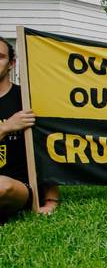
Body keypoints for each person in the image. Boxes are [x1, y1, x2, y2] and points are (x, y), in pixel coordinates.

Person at [0, 38, 60, 223]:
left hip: (16, 186)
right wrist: (6, 127)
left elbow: (47, 151)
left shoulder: (26, 101)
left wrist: (51, 201)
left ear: (12, 63)